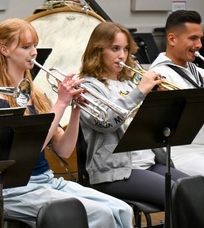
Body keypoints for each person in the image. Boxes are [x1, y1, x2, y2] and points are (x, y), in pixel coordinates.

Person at [0, 19, 135, 228]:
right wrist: (62, 103)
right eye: (25, 46)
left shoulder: (35, 93)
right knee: (99, 215)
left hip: (46, 181)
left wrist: (76, 110)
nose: (33, 53)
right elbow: (29, 150)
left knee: (122, 211)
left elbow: (63, 149)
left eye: (35, 46)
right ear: (4, 50)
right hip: (15, 188)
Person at [77, 22, 190, 210]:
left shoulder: (128, 83)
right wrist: (139, 92)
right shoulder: (88, 87)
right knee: (177, 197)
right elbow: (106, 122)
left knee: (194, 190)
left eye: (126, 49)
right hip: (115, 172)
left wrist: (159, 103)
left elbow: (149, 126)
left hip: (148, 162)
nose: (122, 55)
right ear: (98, 50)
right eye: (115, 49)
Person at [149, 9, 204, 176]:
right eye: (193, 38)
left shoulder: (198, 71)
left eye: (200, 39)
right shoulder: (158, 76)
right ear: (172, 39)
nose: (199, 45)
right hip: (182, 154)